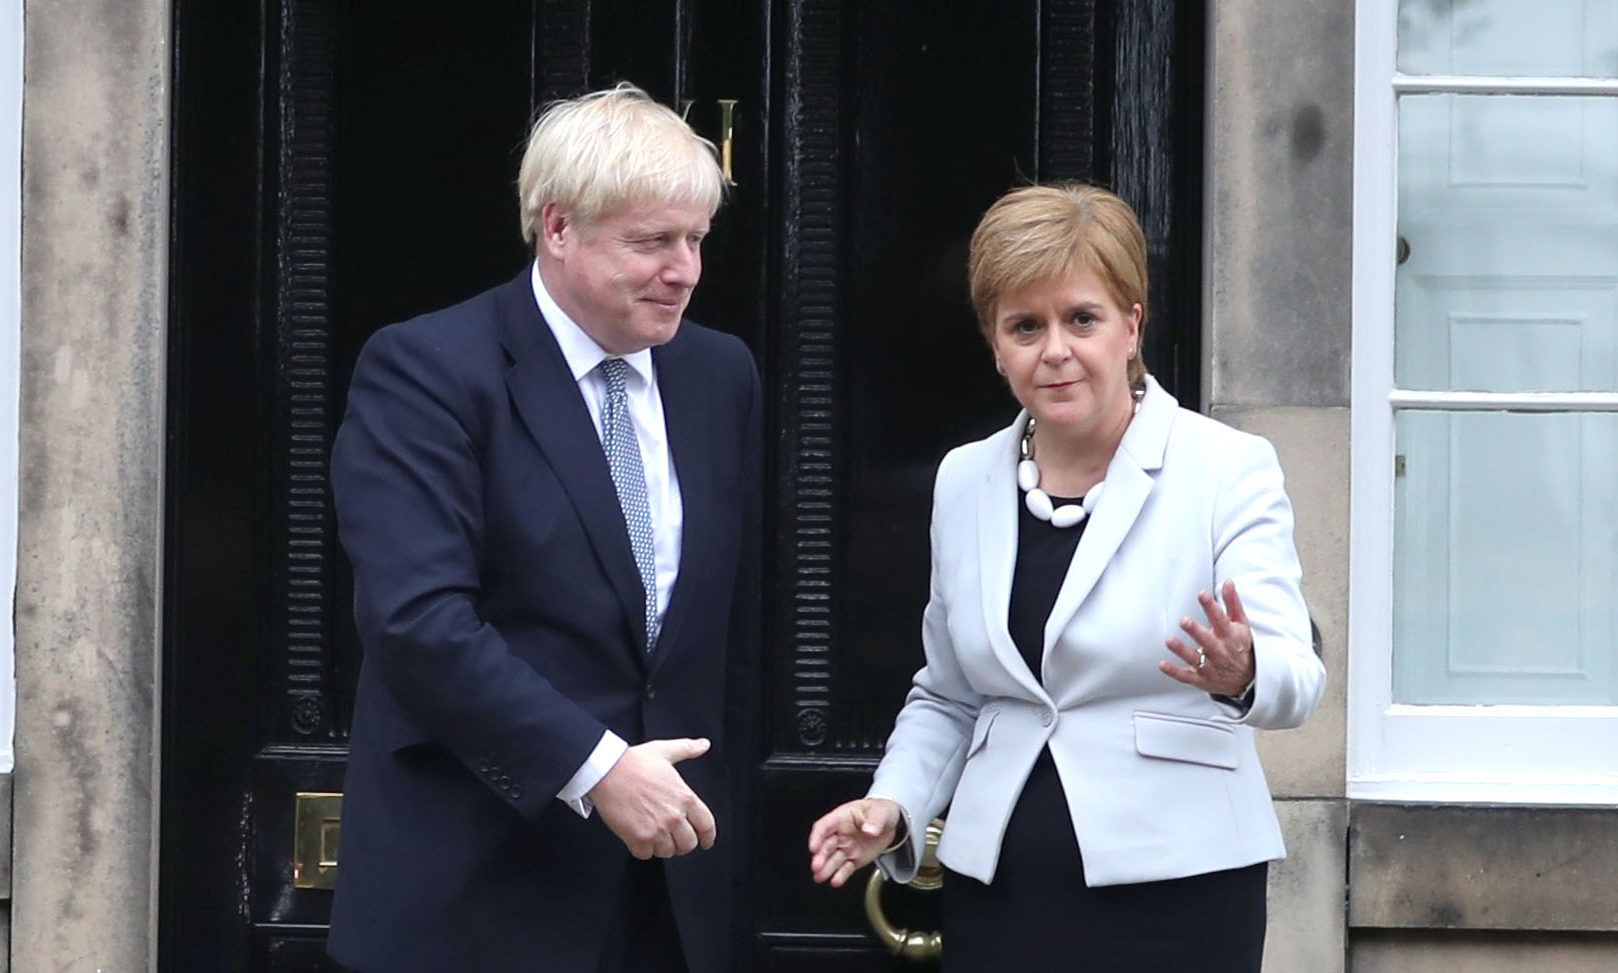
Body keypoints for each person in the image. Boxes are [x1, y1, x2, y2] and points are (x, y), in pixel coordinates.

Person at [808, 184, 1325, 971]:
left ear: (1131, 325)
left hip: (1178, 892)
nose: (1055, 348)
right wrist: (895, 802)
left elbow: (1299, 676)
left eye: (1081, 318)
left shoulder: (1225, 466)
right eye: (1025, 325)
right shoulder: (965, 479)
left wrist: (1245, 669)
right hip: (1003, 892)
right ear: (995, 345)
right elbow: (948, 690)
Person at [327, 84, 760, 973]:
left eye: (696, 240)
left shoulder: (719, 374)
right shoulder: (428, 370)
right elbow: (417, 622)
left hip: (668, 906)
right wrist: (597, 768)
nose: (686, 271)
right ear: (557, 228)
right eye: (651, 242)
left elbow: (723, 633)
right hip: (475, 895)